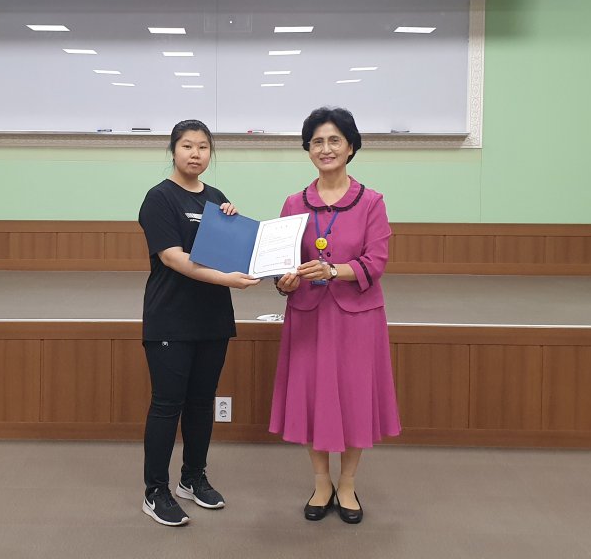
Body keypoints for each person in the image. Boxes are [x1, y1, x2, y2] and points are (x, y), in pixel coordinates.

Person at [270, 106, 401, 524]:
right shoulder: (294, 203)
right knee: (313, 398)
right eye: (317, 142)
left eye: (334, 141)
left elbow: (375, 262)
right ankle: (321, 482)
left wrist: (332, 270)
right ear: (308, 149)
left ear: (350, 147)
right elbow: (283, 265)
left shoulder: (372, 202)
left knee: (354, 397)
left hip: (357, 317)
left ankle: (347, 484)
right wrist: (284, 281)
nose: (325, 149)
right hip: (308, 315)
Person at [137, 119, 260, 527]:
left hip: (212, 317)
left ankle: (192, 478)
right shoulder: (159, 198)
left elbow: (228, 251)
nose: (195, 153)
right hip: (170, 318)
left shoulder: (216, 198)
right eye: (187, 145)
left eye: (203, 147)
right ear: (173, 150)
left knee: (202, 402)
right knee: (166, 405)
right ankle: (156, 491)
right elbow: (172, 257)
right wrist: (227, 279)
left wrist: (233, 225)